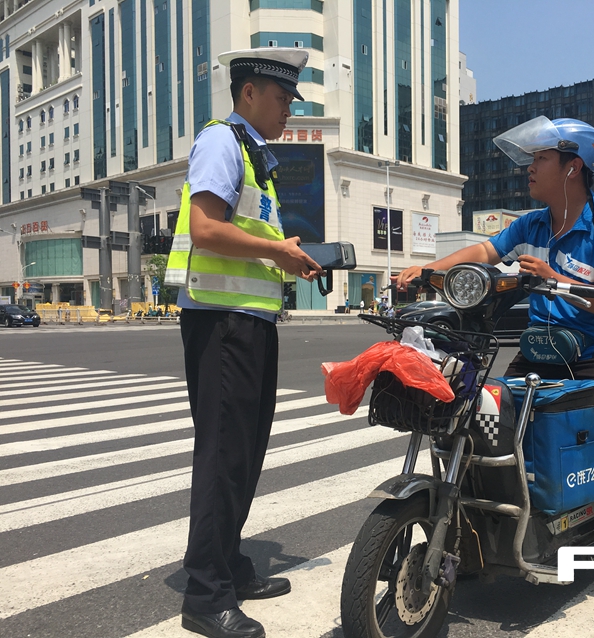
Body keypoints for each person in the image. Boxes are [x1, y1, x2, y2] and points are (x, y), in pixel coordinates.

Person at [396, 116, 594, 612]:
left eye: (541, 160)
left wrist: (554, 279)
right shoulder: (531, 224)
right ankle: (473, 541)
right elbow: (485, 250)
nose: (530, 170)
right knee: (484, 430)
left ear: (572, 168)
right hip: (538, 350)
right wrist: (428, 269)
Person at [164, 47, 324, 638]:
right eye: (282, 99)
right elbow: (205, 228)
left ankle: (227, 563)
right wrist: (278, 250)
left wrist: (289, 259)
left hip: (249, 321)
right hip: (221, 323)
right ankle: (205, 595)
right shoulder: (221, 143)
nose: (288, 110)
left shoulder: (256, 157)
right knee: (223, 455)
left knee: (244, 452)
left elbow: (244, 238)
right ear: (250, 92)